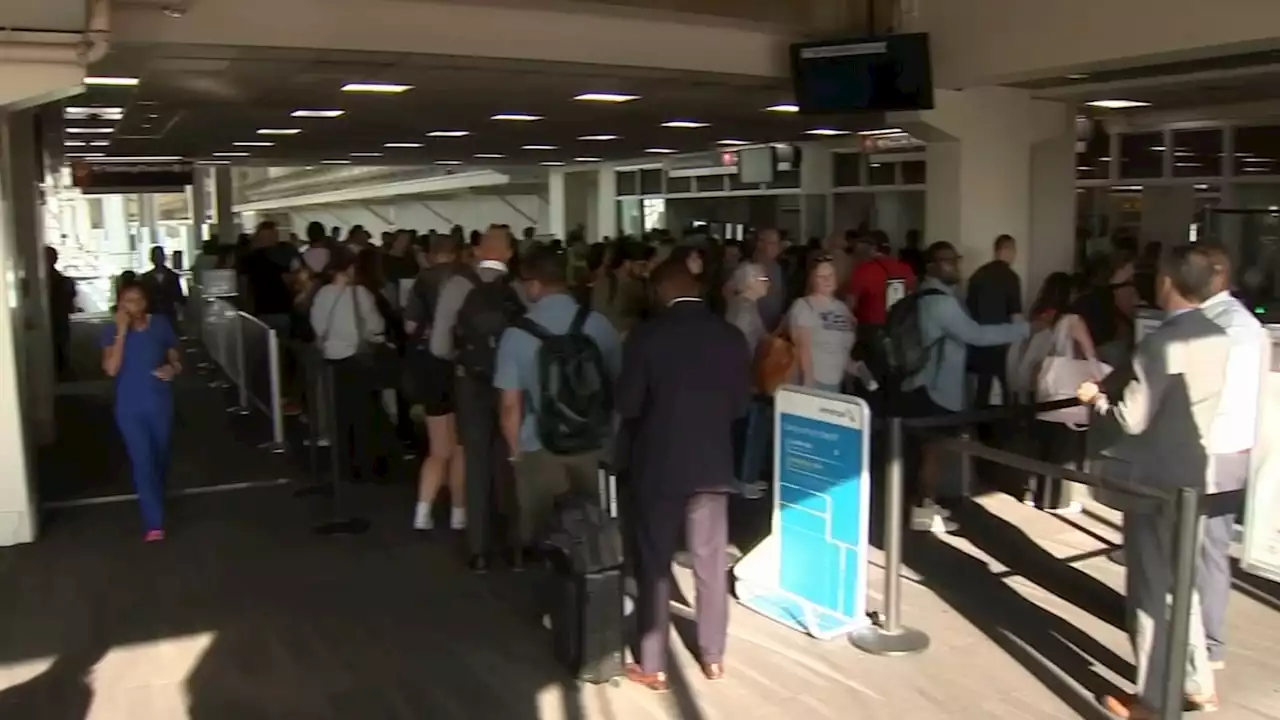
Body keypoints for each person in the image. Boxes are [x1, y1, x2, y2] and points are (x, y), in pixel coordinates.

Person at [1078, 245, 1228, 719]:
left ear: (1168, 282)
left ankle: (1153, 701)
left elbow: (1131, 417)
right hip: (1193, 478)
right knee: (1181, 589)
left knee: (1148, 592)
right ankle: (1198, 684)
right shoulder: (1218, 334)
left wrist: (1093, 399)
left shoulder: (1161, 342)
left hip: (1151, 484)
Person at [617, 258, 751, 692]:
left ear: (659, 291)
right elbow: (740, 408)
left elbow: (629, 404)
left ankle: (652, 665)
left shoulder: (648, 336)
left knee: (655, 563)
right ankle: (713, 656)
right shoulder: (730, 336)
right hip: (713, 463)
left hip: (658, 466)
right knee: (711, 562)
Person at [493, 245, 621, 552]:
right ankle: (592, 576)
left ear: (534, 284)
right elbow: (618, 385)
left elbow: (510, 406)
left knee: (538, 525)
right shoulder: (598, 324)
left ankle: (538, 578)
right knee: (591, 522)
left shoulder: (516, 334)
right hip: (591, 441)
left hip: (539, 443)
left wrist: (515, 451)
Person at [901, 242, 1031, 532]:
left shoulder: (928, 294)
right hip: (935, 388)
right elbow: (976, 335)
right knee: (931, 452)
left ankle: (924, 504)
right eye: (949, 262)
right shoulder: (942, 302)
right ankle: (922, 511)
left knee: (927, 451)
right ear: (933, 266)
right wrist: (1024, 329)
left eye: (956, 260)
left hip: (924, 383)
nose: (956, 267)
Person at [430, 226, 521, 572]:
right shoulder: (519, 290)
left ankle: (479, 549)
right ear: (510, 254)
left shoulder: (457, 285)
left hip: (470, 384)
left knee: (477, 460)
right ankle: (515, 545)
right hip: (511, 385)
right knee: (510, 459)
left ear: (479, 249)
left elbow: (439, 347)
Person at [1196, 244, 1268, 672]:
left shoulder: (1217, 326)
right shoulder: (1246, 325)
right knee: (1212, 547)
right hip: (1233, 447)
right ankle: (1208, 639)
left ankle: (1207, 642)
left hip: (1212, 450)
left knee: (1203, 549)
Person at [100, 280, 181, 541]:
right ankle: (154, 522)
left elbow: (176, 357)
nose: (131, 305)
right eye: (126, 300)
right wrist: (121, 333)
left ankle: (157, 495)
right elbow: (111, 369)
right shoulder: (110, 330)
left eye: (136, 300)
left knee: (159, 455)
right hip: (129, 405)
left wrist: (174, 369)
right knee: (142, 459)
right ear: (119, 303)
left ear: (145, 302)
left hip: (159, 401)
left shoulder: (160, 324)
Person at [407, 234, 467, 532]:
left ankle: (422, 512)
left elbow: (409, 325)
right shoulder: (465, 278)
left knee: (437, 448)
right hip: (460, 366)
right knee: (459, 446)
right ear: (456, 253)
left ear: (431, 254)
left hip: (431, 367)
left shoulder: (421, 280)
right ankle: (459, 513)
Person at [310, 252, 387, 484]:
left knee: (339, 415)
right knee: (363, 415)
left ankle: (341, 464)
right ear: (348, 269)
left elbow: (317, 326)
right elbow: (375, 326)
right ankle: (364, 465)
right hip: (356, 359)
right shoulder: (360, 293)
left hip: (331, 360)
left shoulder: (322, 294)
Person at [965, 234, 1023, 407]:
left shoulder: (978, 275)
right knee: (1006, 386)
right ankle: (1004, 425)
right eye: (1013, 250)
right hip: (1001, 340)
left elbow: (968, 309)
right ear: (1006, 250)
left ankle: (978, 425)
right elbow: (1016, 315)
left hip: (978, 338)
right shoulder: (1011, 277)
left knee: (983, 385)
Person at [789, 255, 855, 393]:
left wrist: (853, 367)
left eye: (830, 275)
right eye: (821, 276)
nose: (827, 279)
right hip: (814, 380)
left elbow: (842, 345)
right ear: (813, 279)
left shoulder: (842, 308)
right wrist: (808, 384)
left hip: (837, 379)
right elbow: (803, 347)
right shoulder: (804, 306)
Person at [46, 246, 77, 378]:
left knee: (58, 349)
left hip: (57, 320)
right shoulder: (63, 281)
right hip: (58, 320)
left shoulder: (61, 281)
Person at [139, 245, 186, 330]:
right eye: (156, 256)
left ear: (164, 257)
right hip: (152, 314)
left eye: (160, 255)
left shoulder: (173, 276)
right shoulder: (145, 278)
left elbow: (178, 297)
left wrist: (180, 316)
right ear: (151, 259)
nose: (158, 258)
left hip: (169, 313)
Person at [752, 228, 787, 332]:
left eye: (777, 243)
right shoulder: (750, 269)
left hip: (774, 327)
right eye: (771, 243)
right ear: (760, 244)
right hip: (755, 328)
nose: (776, 247)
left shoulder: (778, 267)